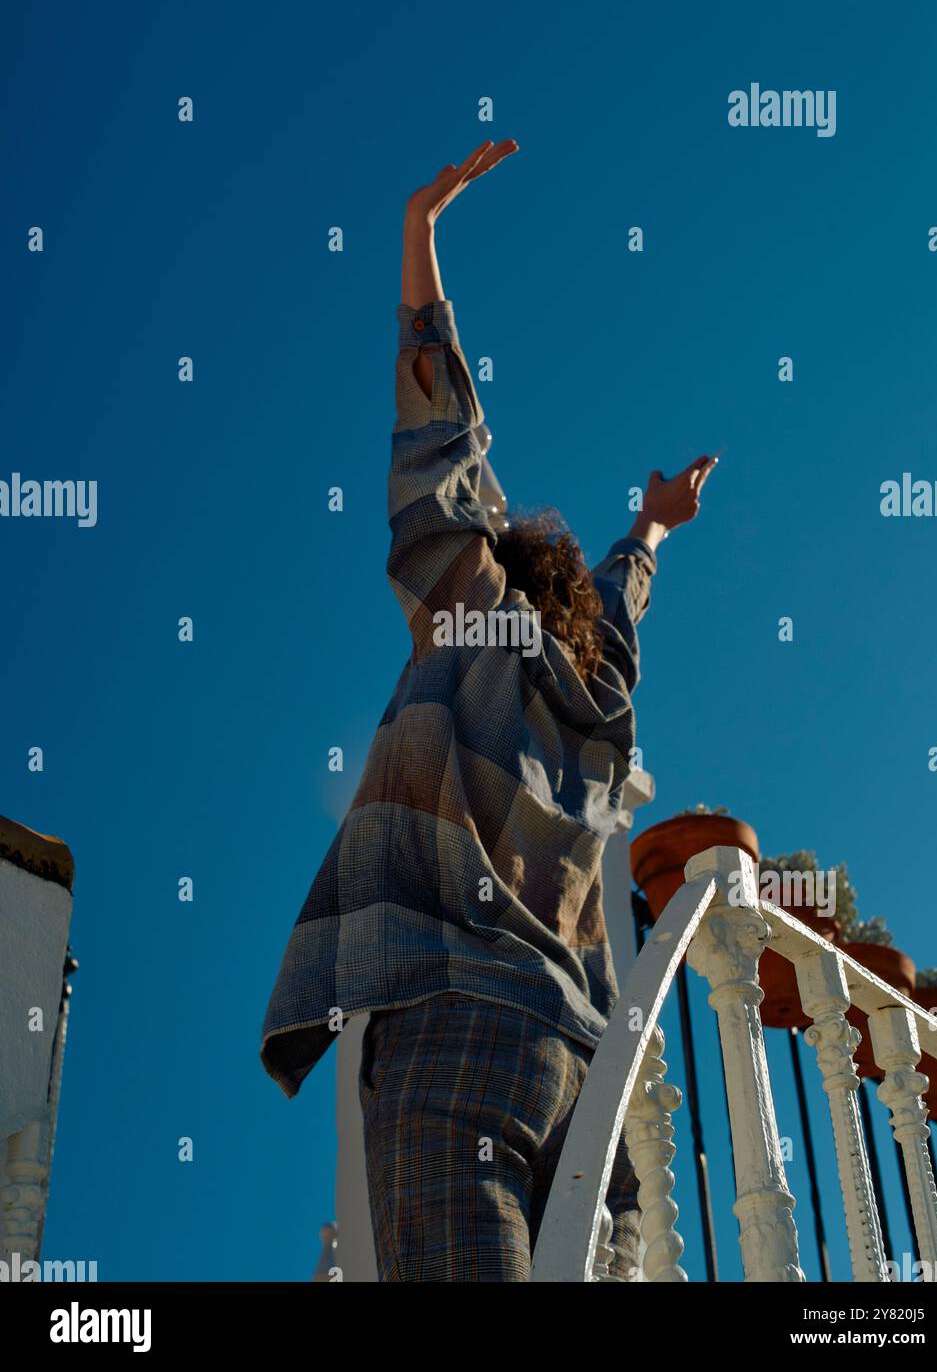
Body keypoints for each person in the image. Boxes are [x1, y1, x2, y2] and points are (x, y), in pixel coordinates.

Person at [260, 139, 717, 1282]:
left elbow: (442, 447)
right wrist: (652, 528)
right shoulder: (599, 695)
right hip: (575, 1072)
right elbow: (617, 607)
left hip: (458, 1033)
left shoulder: (480, 615)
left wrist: (419, 242)